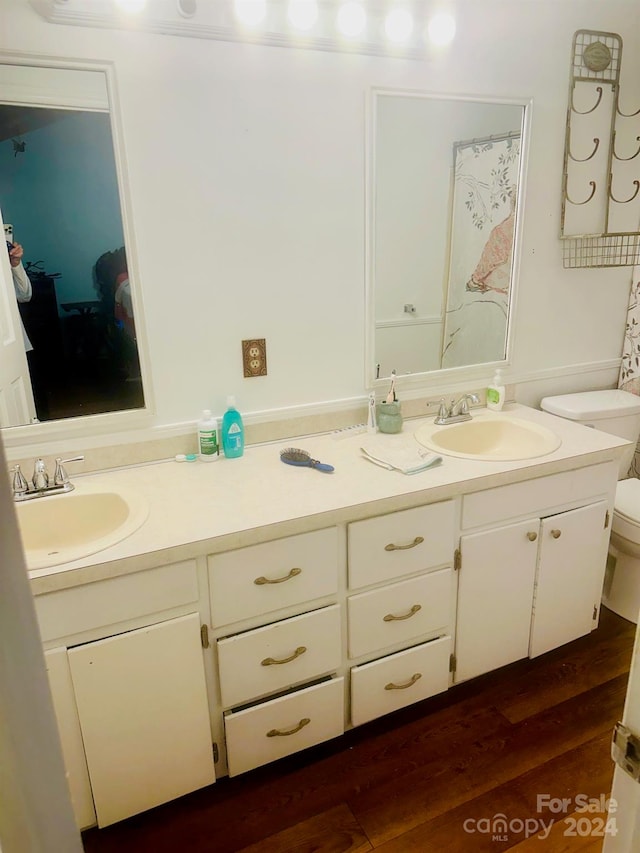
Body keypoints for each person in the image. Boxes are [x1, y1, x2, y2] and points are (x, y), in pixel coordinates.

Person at [8, 239, 49, 420]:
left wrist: (15, 264)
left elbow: (25, 295)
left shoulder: (4, 264)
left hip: (15, 343)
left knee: (33, 400)